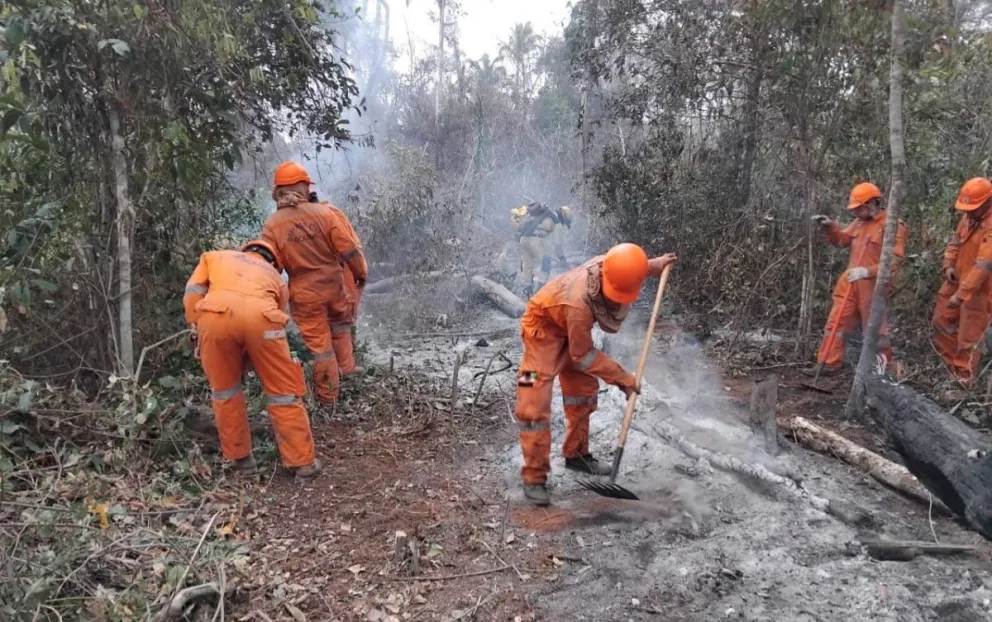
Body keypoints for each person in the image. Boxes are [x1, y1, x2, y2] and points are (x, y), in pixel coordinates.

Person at [514, 243, 677, 505]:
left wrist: (654, 265)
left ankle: (577, 456)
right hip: (540, 333)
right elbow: (584, 356)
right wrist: (622, 377)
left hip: (571, 334)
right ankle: (534, 477)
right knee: (531, 401)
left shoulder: (612, 264)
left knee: (582, 393)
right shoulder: (579, 306)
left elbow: (630, 266)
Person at [184, 240, 320, 478]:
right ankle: (303, 463)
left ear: (244, 250)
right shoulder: (277, 279)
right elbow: (274, 318)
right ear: (275, 262)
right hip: (264, 320)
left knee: (226, 393)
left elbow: (193, 292)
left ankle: (242, 463)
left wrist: (196, 328)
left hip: (214, 318)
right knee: (283, 392)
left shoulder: (215, 257)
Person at [261, 161, 368, 405]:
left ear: (279, 191)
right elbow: (348, 249)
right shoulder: (324, 213)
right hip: (334, 285)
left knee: (321, 347)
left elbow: (270, 266)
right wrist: (360, 273)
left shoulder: (273, 224)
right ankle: (348, 370)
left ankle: (328, 397)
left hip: (304, 293)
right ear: (301, 187)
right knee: (341, 327)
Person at [804, 182, 907, 376]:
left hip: (873, 285)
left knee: (876, 330)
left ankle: (883, 371)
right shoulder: (859, 222)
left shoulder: (892, 226)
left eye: (858, 208)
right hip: (850, 282)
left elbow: (894, 262)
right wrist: (830, 228)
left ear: (871, 204)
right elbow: (842, 240)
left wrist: (867, 272)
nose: (855, 213)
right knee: (837, 322)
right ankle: (828, 363)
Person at [932, 177, 992, 392]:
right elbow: (954, 242)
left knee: (970, 338)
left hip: (979, 291)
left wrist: (962, 294)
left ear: (987, 202)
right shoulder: (968, 218)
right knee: (941, 321)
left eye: (973, 208)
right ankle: (950, 369)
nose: (968, 212)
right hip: (956, 281)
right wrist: (948, 265)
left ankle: (964, 382)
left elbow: (984, 266)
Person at [512, 202, 558, 298]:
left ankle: (528, 290)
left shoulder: (529, 216)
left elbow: (519, 227)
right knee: (546, 262)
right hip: (536, 240)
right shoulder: (549, 218)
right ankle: (540, 289)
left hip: (523, 240)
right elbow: (554, 234)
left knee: (527, 265)